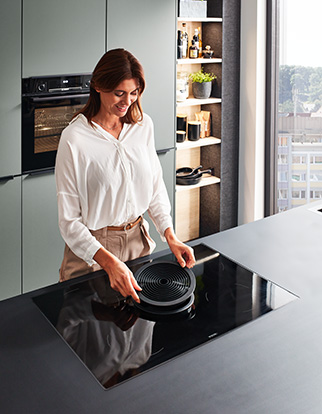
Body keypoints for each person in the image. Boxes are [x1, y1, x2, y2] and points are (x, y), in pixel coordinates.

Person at [55, 48, 195, 304]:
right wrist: (109, 263)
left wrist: (170, 236)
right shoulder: (74, 139)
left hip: (137, 242)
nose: (127, 101)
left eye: (134, 93)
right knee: (90, 339)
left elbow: (154, 188)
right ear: (97, 85)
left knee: (137, 335)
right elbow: (69, 222)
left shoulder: (143, 126)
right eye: (119, 93)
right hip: (93, 251)